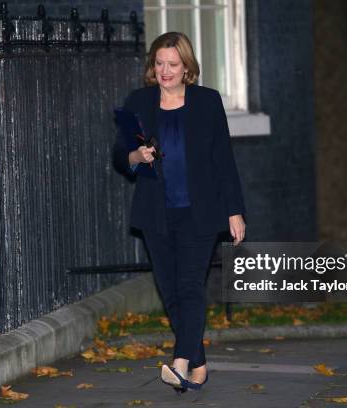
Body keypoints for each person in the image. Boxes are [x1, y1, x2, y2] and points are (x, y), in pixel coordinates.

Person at [113, 32, 246, 392]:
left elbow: (223, 160)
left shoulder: (207, 102)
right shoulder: (138, 102)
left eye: (172, 64)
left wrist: (235, 211)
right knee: (169, 290)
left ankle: (181, 361)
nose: (165, 70)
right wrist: (136, 157)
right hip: (156, 213)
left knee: (190, 285)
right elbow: (119, 155)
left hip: (199, 213)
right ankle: (199, 362)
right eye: (159, 63)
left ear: (187, 67)